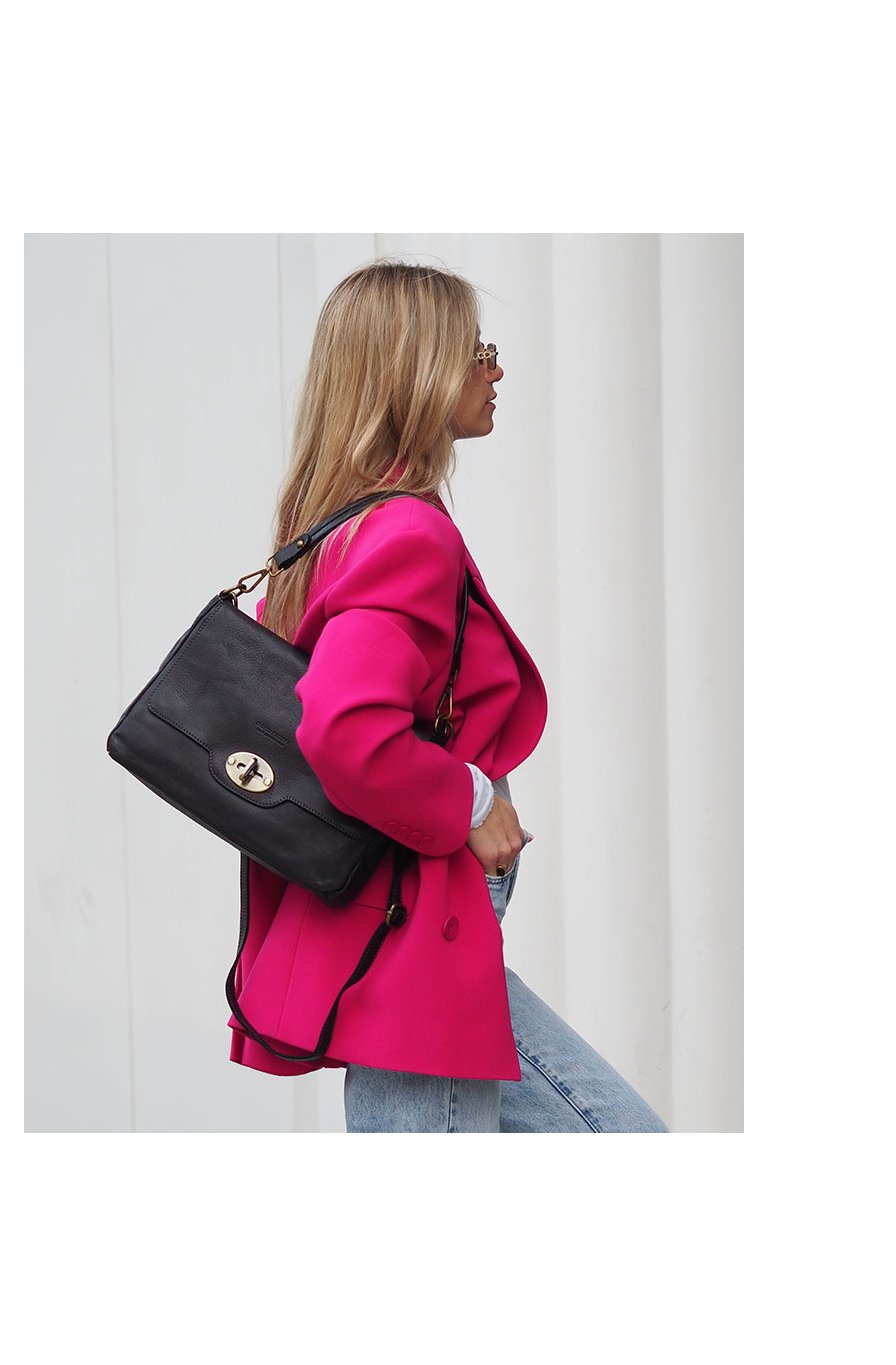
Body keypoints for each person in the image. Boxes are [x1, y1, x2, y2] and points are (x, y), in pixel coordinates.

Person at [227, 260, 668, 1133]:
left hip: (403, 916)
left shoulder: (334, 529)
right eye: (477, 352)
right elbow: (347, 729)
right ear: (419, 370)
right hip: (414, 916)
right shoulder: (407, 532)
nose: (495, 369)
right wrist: (472, 800)